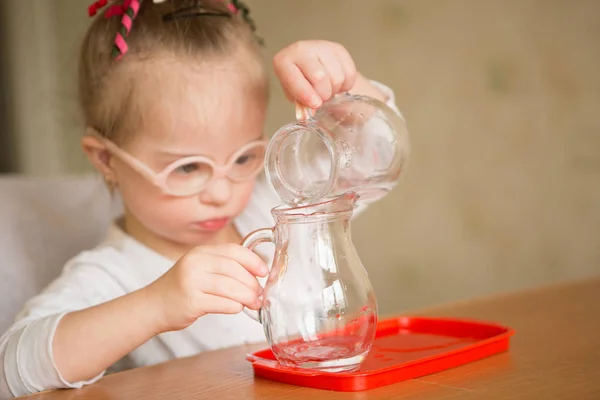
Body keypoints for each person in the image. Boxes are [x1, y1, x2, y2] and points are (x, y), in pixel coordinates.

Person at [0, 0, 402, 397]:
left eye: (244, 157)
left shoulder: (274, 206)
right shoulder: (114, 275)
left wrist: (345, 91)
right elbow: (11, 371)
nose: (222, 194)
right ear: (106, 159)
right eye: (188, 168)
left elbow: (376, 156)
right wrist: (156, 306)